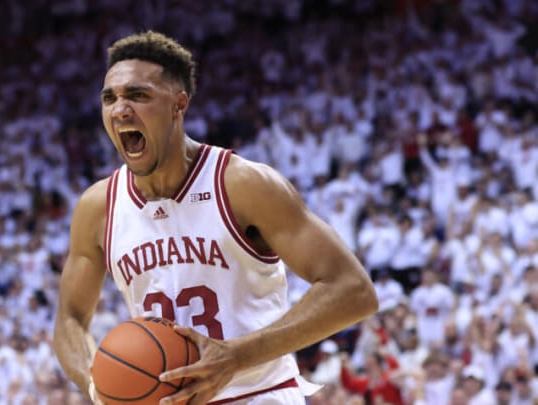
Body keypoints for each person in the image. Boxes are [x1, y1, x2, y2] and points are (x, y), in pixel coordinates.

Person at [53, 30, 378, 405]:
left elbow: (353, 290)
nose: (120, 109)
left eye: (138, 95)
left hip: (260, 394)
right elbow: (70, 319)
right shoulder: (99, 206)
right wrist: (99, 387)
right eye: (110, 98)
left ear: (179, 104)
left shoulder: (242, 184)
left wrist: (236, 355)